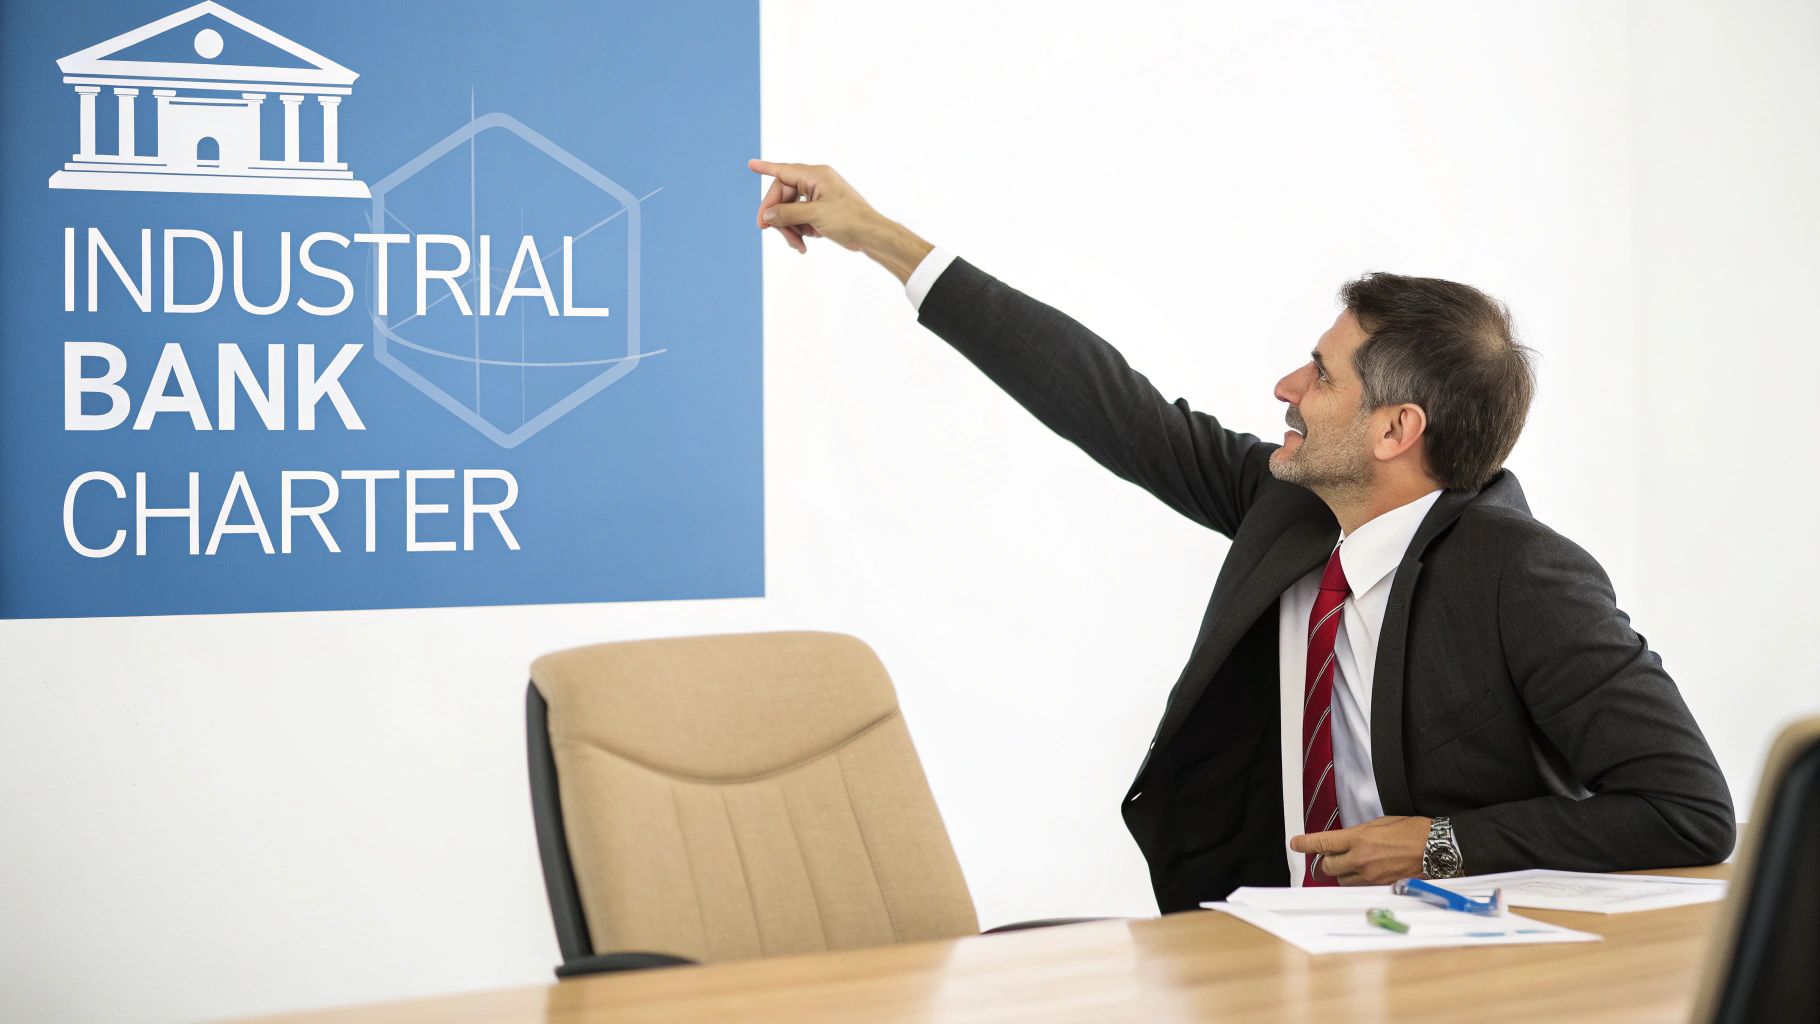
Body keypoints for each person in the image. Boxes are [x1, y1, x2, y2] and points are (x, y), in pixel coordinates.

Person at [747, 159, 1736, 913]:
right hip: (1269, 935)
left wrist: (1438, 843)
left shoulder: (1520, 575)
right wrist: (876, 235)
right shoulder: (1283, 506)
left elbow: (1688, 811)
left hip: (1460, 959)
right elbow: (1108, 403)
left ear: (1396, 431)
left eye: (1319, 373)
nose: (1283, 389)